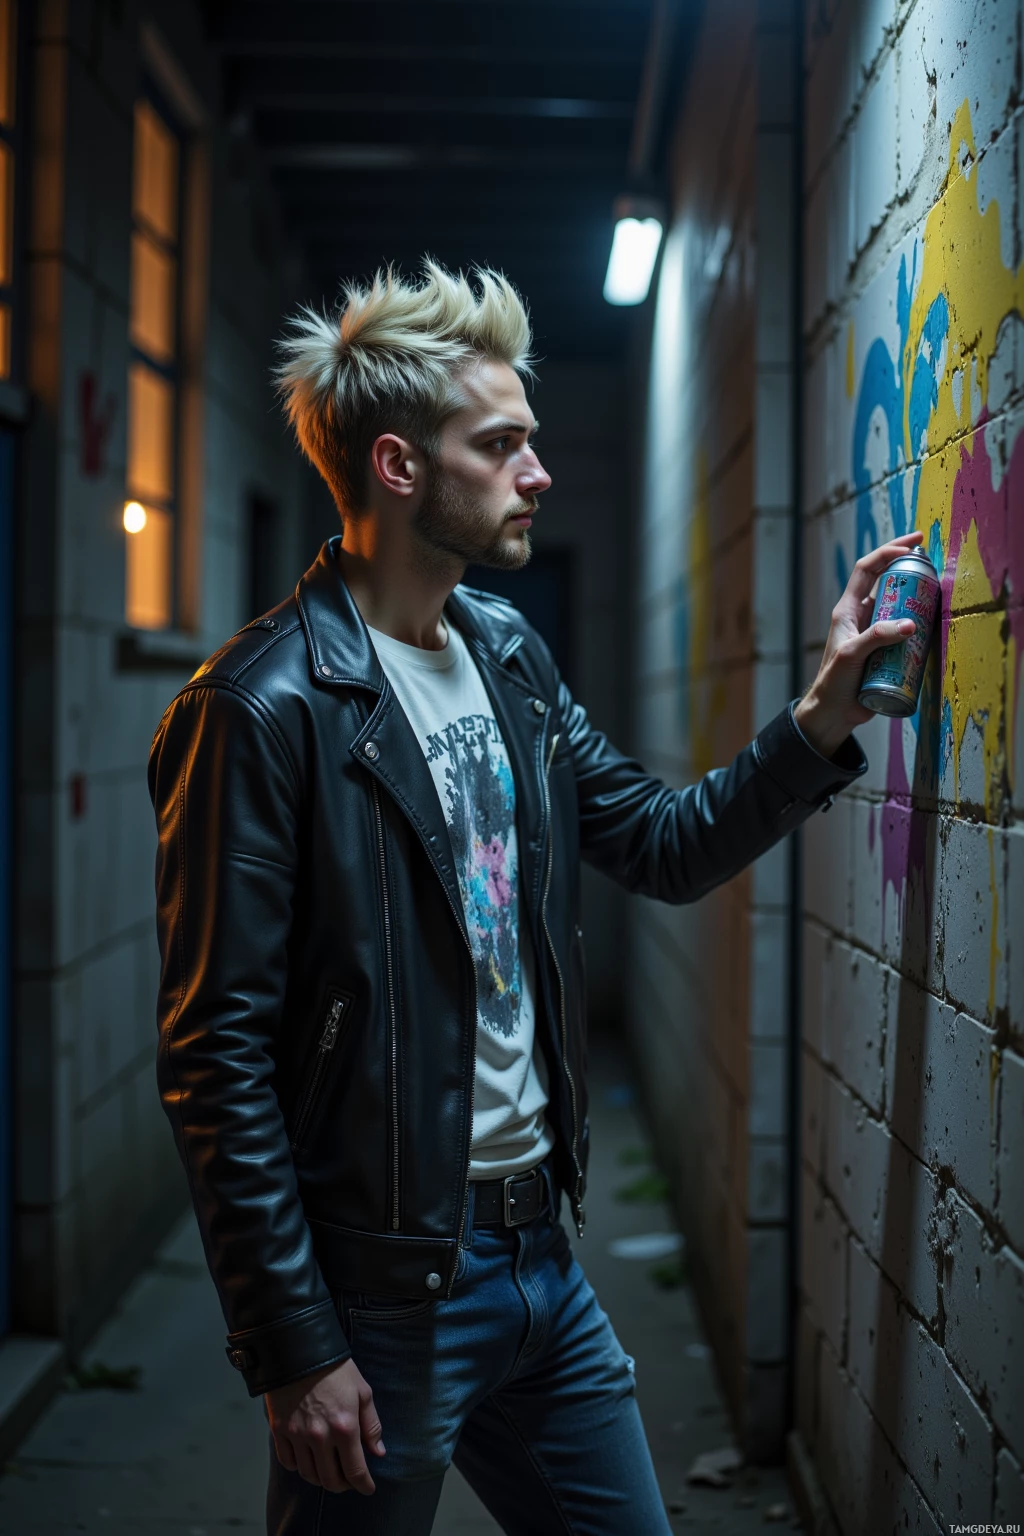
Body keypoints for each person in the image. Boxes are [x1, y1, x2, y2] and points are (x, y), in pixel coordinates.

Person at [148, 261, 922, 1535]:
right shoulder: (258, 710)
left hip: (540, 1267)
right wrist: (291, 1344)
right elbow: (213, 1050)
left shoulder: (506, 655)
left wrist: (823, 710)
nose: (538, 471)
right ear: (399, 467)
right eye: (500, 443)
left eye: (534, 441)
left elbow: (662, 844)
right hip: (383, 1293)